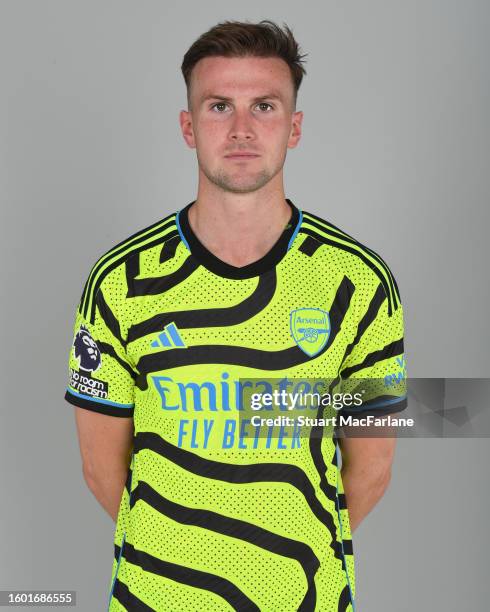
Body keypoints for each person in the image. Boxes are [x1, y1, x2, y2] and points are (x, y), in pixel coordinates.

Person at [64, 19, 407, 612]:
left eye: (265, 106)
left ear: (293, 128)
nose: (242, 129)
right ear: (188, 125)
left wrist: (281, 559)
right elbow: (101, 467)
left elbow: (373, 468)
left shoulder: (361, 282)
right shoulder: (120, 281)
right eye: (219, 105)